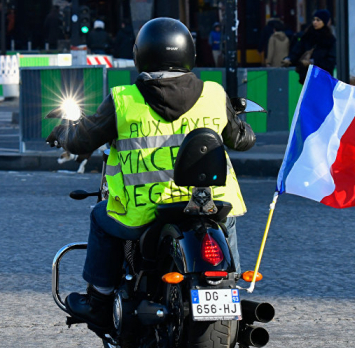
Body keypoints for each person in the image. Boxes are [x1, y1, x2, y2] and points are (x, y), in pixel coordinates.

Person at [45, 17, 256, 327]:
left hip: (145, 209)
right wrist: (236, 119)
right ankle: (230, 288)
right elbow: (243, 140)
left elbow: (82, 140)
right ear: (189, 53)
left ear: (140, 53)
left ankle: (99, 300)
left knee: (100, 217)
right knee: (228, 221)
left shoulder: (124, 100)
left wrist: (63, 132)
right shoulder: (213, 94)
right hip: (209, 202)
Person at [282, 10, 336, 84]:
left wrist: (313, 62)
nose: (315, 22)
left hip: (322, 77)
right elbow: (297, 50)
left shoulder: (329, 39)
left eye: (318, 20)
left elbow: (331, 61)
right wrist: (289, 59)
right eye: (314, 20)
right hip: (307, 76)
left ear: (324, 22)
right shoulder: (307, 36)